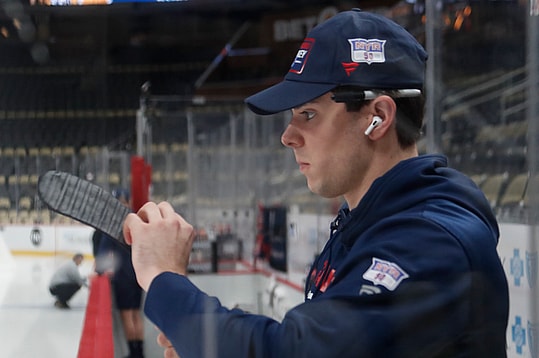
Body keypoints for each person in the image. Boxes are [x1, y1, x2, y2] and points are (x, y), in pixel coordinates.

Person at [123, 9, 510, 358]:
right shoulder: (363, 224)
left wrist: (163, 278)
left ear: (378, 117)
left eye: (309, 113)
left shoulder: (432, 242)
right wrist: (223, 339)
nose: (287, 136)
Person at [94, 188, 145, 358]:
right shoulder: (137, 221)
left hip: (123, 276)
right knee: (136, 314)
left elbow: (104, 253)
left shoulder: (115, 223)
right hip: (138, 275)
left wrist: (99, 270)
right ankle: (140, 352)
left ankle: (133, 353)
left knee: (127, 315)